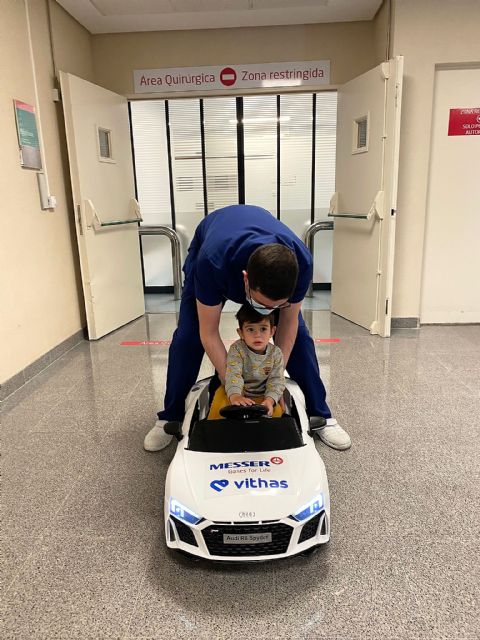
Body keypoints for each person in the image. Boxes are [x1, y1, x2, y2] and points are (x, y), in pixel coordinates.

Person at [144, 204, 351, 451]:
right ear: (245, 279)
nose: (265, 311)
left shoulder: (301, 262)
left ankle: (322, 415)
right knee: (188, 337)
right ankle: (170, 416)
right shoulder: (212, 262)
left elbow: (289, 324)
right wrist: (233, 385)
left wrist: (274, 375)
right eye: (261, 304)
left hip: (259, 254)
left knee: (302, 338)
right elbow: (208, 332)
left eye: (276, 306)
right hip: (212, 243)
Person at [208, 304, 285, 420]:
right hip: (235, 391)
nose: (257, 335)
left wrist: (270, 399)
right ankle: (213, 435)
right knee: (218, 409)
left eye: (263, 329)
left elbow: (276, 379)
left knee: (277, 412)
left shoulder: (276, 353)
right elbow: (234, 374)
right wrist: (235, 396)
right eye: (250, 329)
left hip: (264, 394)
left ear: (272, 331)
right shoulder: (237, 349)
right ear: (241, 333)